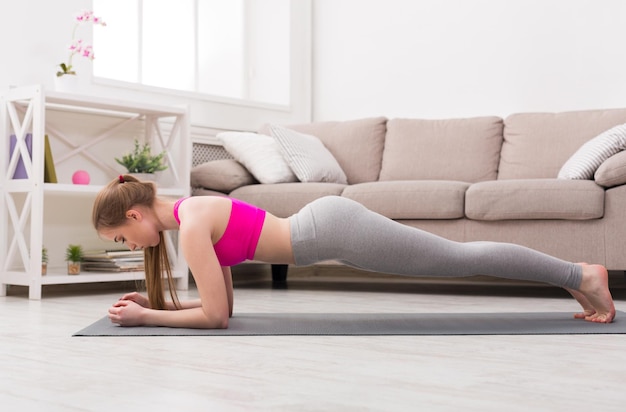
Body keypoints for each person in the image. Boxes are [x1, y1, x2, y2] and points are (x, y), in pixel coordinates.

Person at [92, 175, 616, 329]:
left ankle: (582, 272)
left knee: (459, 259)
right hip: (328, 228)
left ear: (134, 215)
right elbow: (221, 306)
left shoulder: (189, 226)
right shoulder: (193, 213)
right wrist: (156, 306)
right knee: (460, 256)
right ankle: (572, 277)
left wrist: (146, 319)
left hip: (332, 231)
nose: (128, 246)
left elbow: (215, 319)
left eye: (120, 238)